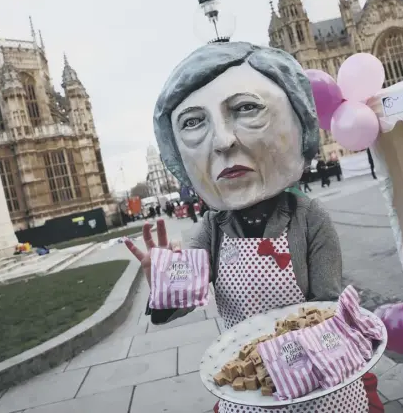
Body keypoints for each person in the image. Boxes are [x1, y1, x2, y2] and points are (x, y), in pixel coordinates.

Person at [126, 43, 382, 413]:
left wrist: (296, 356)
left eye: (246, 109)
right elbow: (179, 302)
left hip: (317, 382)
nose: (224, 141)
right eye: (194, 123)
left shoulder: (309, 218)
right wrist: (164, 285)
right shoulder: (212, 229)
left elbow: (326, 306)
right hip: (252, 392)